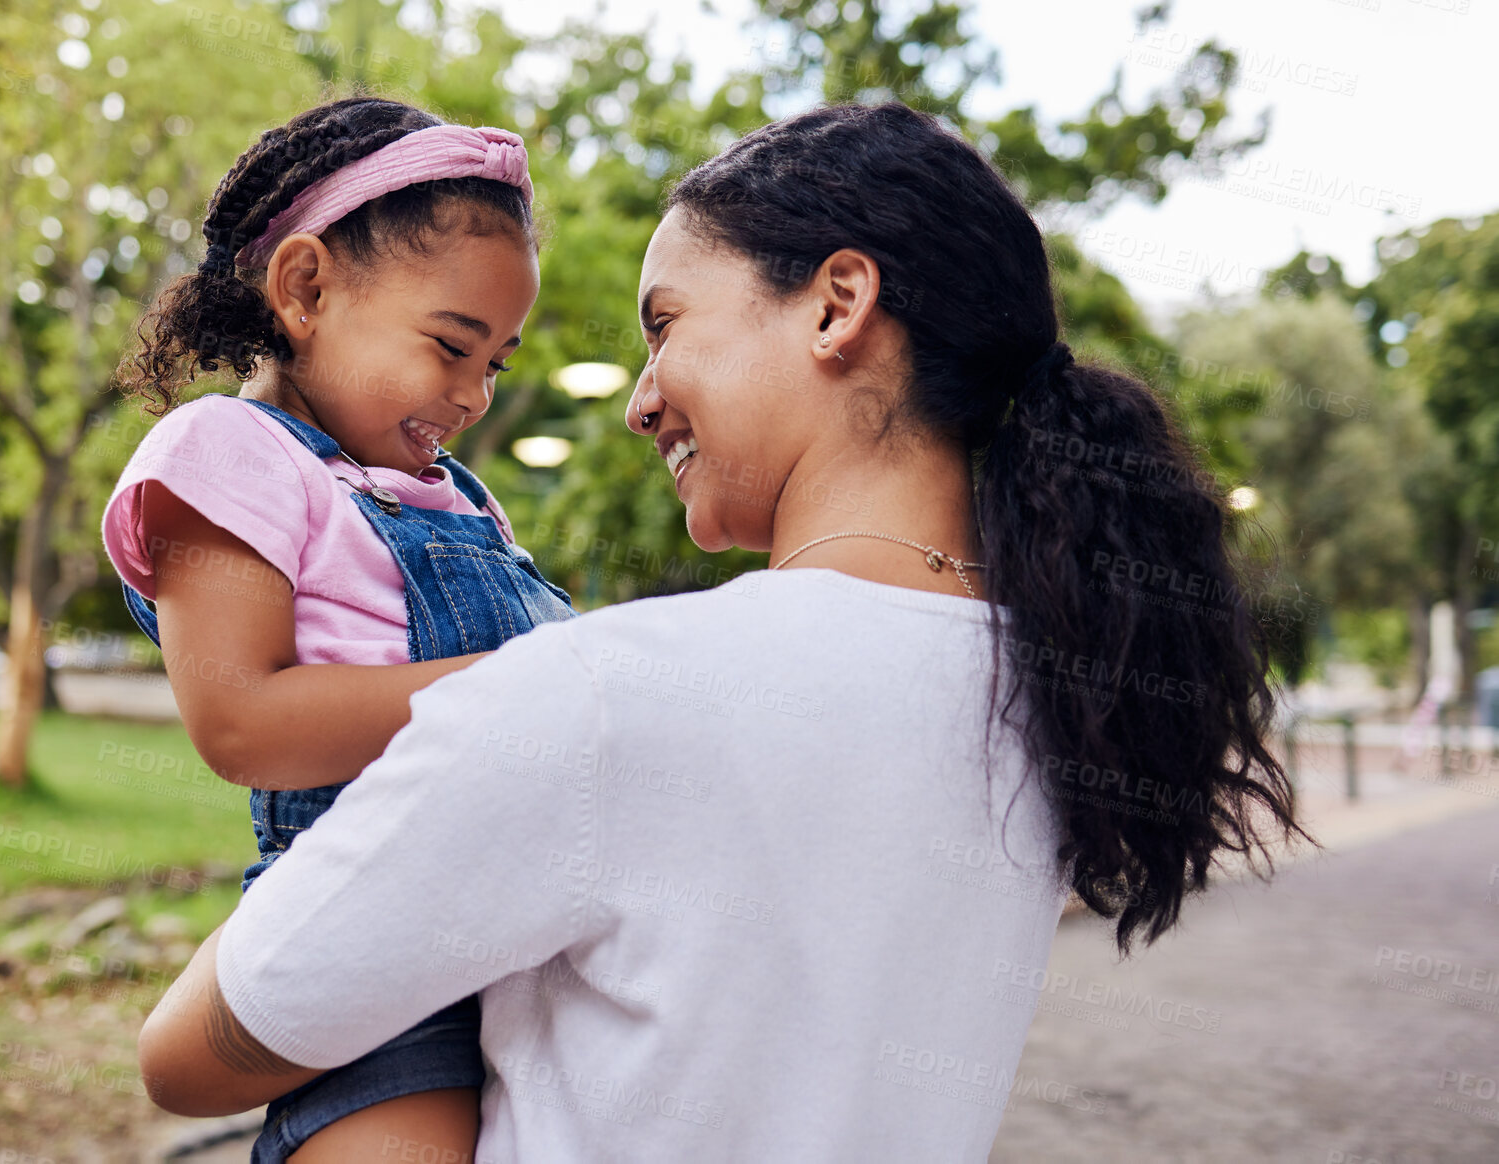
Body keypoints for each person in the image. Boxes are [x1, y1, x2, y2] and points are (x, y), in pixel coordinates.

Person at [138, 101, 1305, 1162]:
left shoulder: (600, 694)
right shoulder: (1050, 690)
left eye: (664, 324)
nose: (640, 399)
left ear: (837, 304)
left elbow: (188, 1058)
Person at [104, 96, 575, 1162]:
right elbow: (242, 721)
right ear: (307, 288)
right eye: (452, 346)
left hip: (535, 933)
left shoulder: (458, 496)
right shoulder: (227, 452)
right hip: (381, 942)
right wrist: (531, 683)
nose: (473, 397)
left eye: (494, 363)